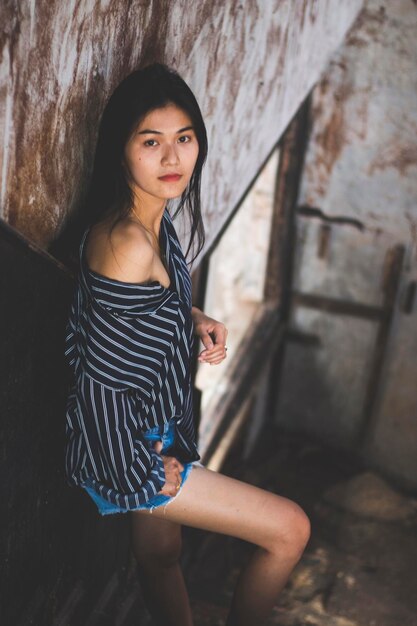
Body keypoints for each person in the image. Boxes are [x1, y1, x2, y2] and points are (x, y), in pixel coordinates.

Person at [63, 63, 310, 626]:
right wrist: (143, 477)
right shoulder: (125, 242)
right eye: (151, 142)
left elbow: (134, 307)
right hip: (129, 448)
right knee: (289, 529)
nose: (172, 158)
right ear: (120, 148)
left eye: (184, 138)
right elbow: (98, 388)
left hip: (158, 426)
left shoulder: (153, 218)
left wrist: (190, 316)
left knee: (160, 555)